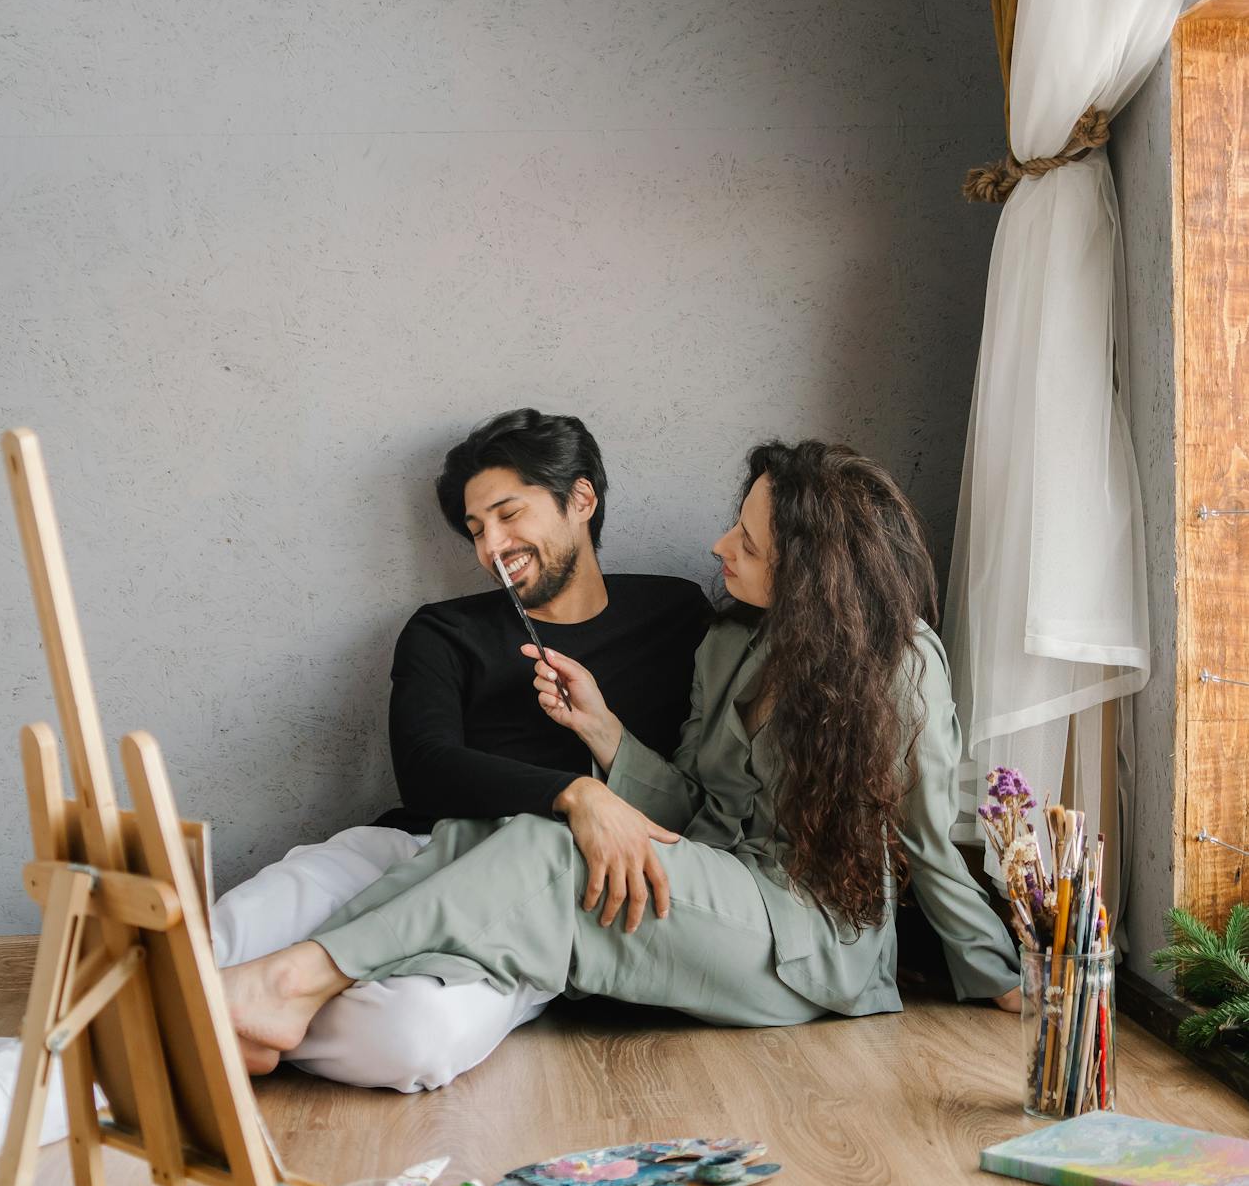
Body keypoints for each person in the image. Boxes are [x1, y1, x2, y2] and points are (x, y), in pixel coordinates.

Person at [0, 410, 709, 1186]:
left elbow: (702, 777)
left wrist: (601, 761)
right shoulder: (443, 630)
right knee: (202, 948)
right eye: (474, 529)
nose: (491, 545)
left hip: (524, 902)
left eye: (507, 513)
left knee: (412, 1042)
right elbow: (424, 768)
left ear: (582, 499)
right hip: (402, 850)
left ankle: (212, 1019)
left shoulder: (675, 615)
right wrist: (569, 793)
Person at [219, 439, 1021, 1078]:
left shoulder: (901, 661)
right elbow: (692, 807)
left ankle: (287, 987)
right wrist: (604, 731)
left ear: (809, 569)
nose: (720, 545)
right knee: (492, 834)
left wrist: (997, 974)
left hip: (804, 938)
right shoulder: (732, 645)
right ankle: (286, 985)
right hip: (714, 880)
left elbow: (926, 838)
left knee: (550, 844)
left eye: (745, 539)